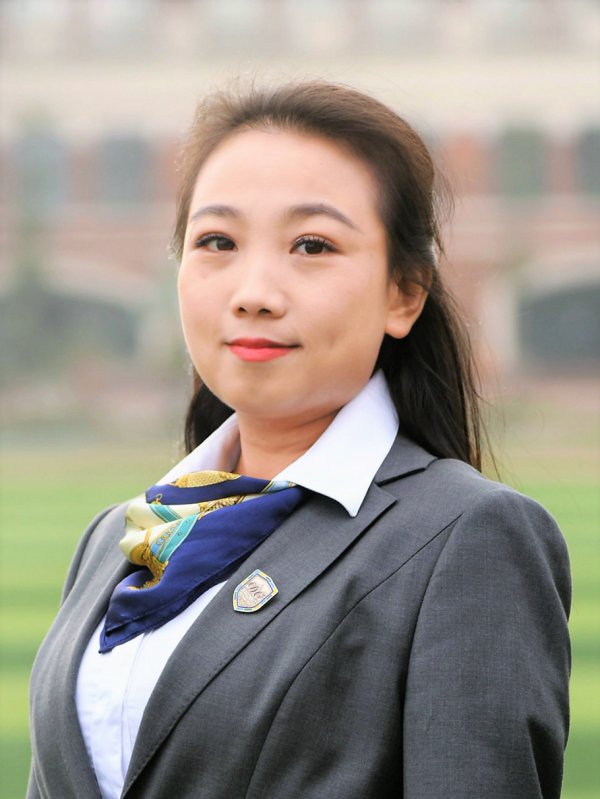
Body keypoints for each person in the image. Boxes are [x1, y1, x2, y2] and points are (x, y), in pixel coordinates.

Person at [28, 81, 571, 799]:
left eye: (312, 245)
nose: (253, 292)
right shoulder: (116, 539)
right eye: (217, 242)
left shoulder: (467, 538)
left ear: (404, 292)